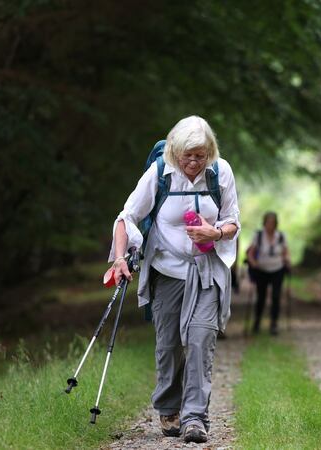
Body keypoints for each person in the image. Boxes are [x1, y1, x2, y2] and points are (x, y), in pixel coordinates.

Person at [109, 116, 240, 444]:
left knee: (200, 340)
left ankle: (195, 417)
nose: (194, 163)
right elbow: (127, 216)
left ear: (210, 152)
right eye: (188, 156)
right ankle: (169, 407)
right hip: (167, 272)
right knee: (169, 346)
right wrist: (121, 258)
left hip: (207, 270)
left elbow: (233, 221)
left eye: (201, 156)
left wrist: (216, 231)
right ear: (173, 152)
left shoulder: (220, 172)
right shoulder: (159, 173)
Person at [246, 211, 290, 335]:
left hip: (278, 268)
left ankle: (274, 324)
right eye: (268, 222)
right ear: (264, 223)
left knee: (276, 297)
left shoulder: (281, 236)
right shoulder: (258, 235)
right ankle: (257, 321)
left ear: (276, 224)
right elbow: (250, 251)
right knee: (261, 297)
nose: (270, 225)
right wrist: (252, 262)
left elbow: (286, 251)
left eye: (272, 223)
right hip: (261, 269)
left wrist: (287, 260)